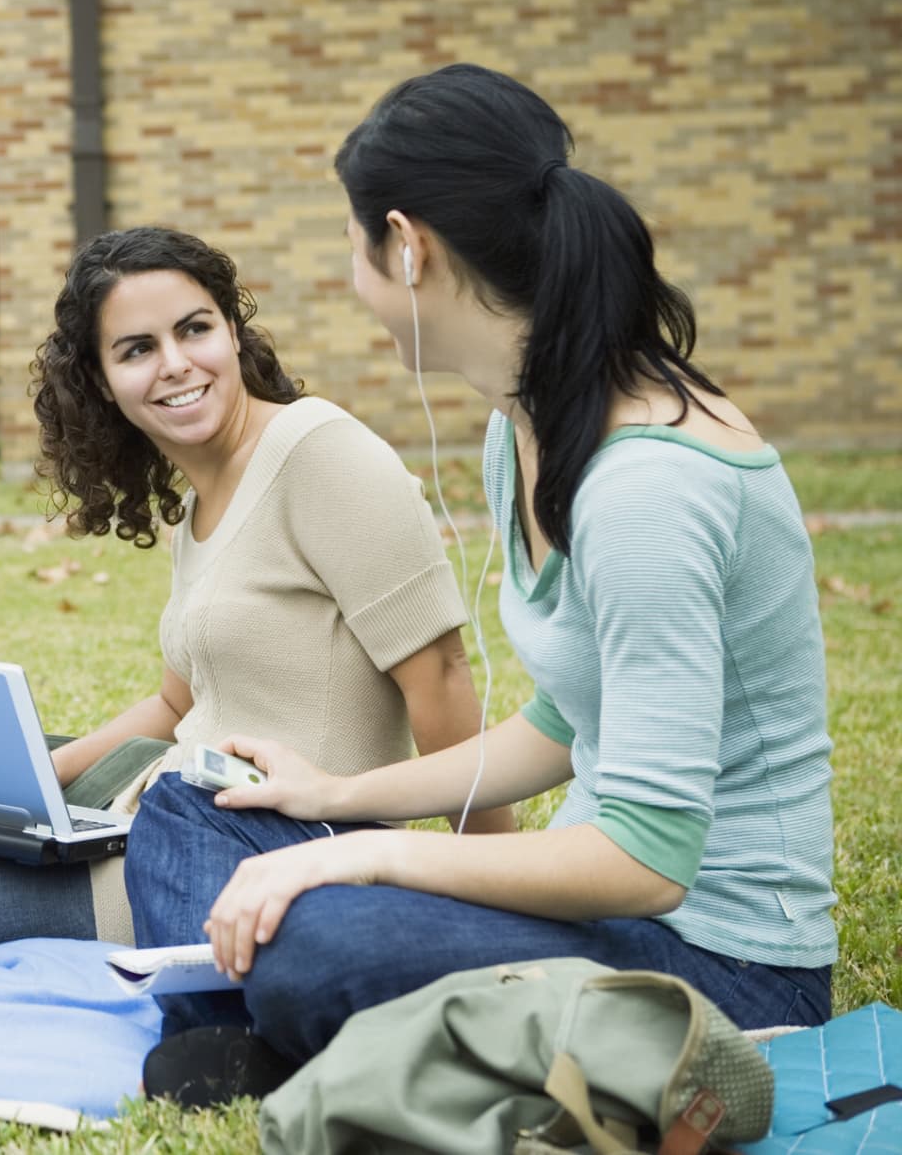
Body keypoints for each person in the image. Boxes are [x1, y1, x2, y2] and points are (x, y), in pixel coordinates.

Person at [127, 64, 836, 1106]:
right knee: (190, 801)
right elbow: (562, 719)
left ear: (405, 246)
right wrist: (331, 799)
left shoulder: (645, 488)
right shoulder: (529, 427)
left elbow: (645, 860)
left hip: (721, 971)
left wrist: (360, 857)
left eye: (352, 239)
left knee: (320, 933)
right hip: (602, 926)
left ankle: (267, 1025)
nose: (351, 271)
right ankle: (286, 1030)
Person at [0, 225, 510, 959]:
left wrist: (500, 885)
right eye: (138, 348)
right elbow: (179, 706)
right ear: (101, 380)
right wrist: (35, 778)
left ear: (234, 333)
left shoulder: (322, 455)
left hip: (249, 852)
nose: (176, 364)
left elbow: (440, 680)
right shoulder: (203, 504)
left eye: (195, 329)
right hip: (160, 800)